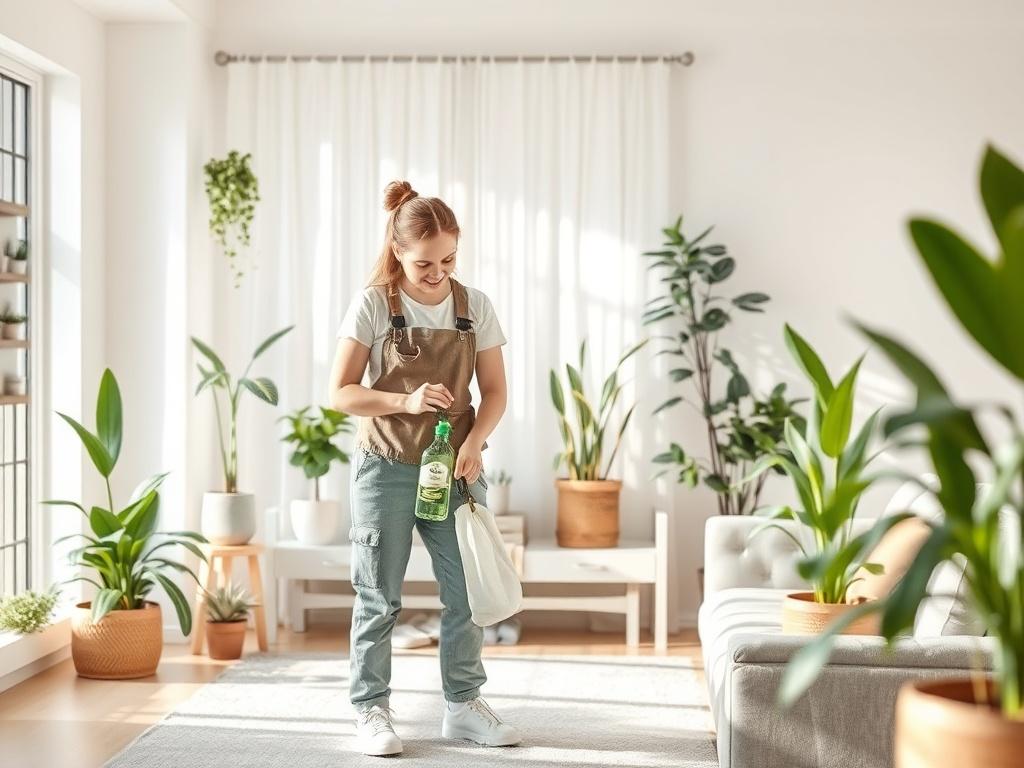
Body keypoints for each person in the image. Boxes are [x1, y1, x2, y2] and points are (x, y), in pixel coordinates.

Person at [329, 180, 521, 756]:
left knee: (467, 593)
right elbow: (340, 393)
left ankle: (463, 706)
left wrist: (476, 443)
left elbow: (495, 393)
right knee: (378, 596)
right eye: (423, 263)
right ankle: (371, 710)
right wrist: (405, 402)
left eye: (448, 260)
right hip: (384, 464)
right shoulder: (372, 304)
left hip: (455, 468)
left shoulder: (474, 306)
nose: (437, 273)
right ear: (396, 251)